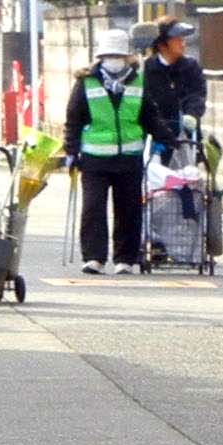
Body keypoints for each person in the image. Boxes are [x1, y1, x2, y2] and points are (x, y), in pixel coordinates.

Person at [64, 29, 176, 275]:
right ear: (100, 57)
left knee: (129, 209)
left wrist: (166, 137)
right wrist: (71, 150)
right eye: (108, 56)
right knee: (93, 208)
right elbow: (73, 120)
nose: (113, 60)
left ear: (128, 57)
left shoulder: (138, 82)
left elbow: (150, 117)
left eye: (118, 55)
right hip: (94, 159)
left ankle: (125, 258)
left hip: (130, 159)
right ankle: (94, 258)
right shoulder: (86, 82)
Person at [141, 16, 207, 139]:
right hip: (154, 138)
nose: (182, 43)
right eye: (177, 39)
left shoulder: (191, 66)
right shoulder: (146, 69)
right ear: (161, 44)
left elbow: (197, 95)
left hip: (187, 136)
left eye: (182, 38)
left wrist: (192, 114)